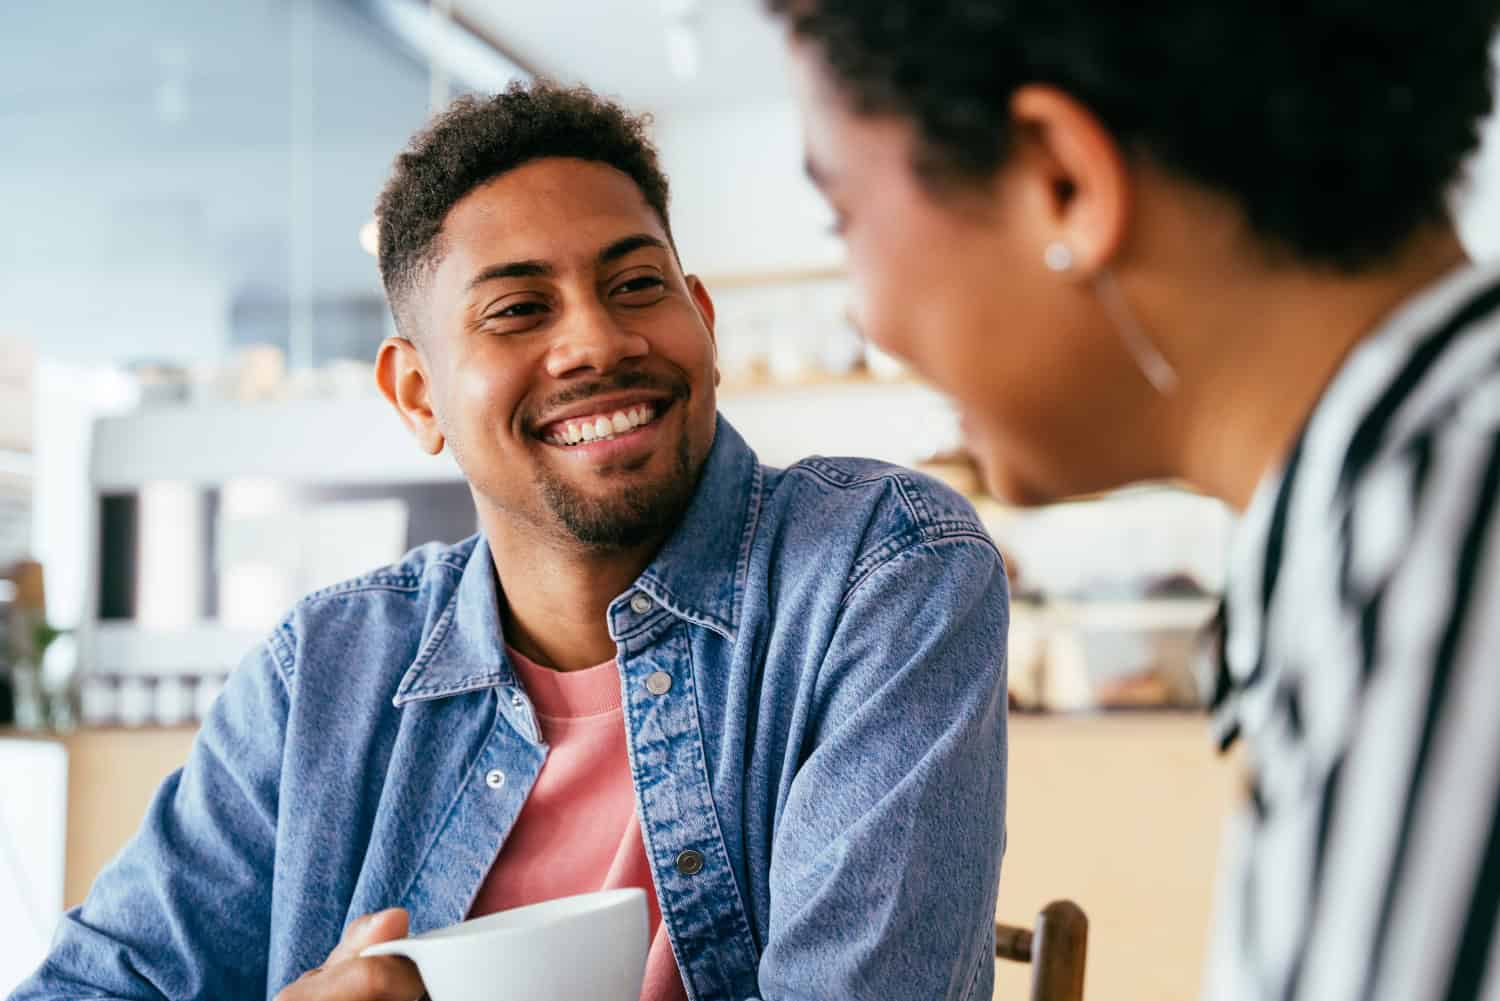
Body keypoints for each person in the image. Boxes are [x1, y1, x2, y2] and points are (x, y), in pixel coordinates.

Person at [11, 83, 1008, 1001]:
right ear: (417, 393)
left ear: (702, 322)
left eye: (635, 284)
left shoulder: (879, 572)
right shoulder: (322, 670)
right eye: (519, 309)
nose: (597, 342)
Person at [770, 2, 1500, 998]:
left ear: (1062, 181)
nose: (870, 319)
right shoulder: (1381, 529)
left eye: (842, 215)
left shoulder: (1435, 567)